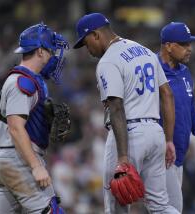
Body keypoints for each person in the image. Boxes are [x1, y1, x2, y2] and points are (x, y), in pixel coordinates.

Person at [73, 13, 180, 214]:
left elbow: (116, 107)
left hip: (129, 135)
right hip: (155, 132)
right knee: (160, 206)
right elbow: (167, 94)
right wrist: (168, 139)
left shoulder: (108, 61)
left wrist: (122, 157)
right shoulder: (145, 51)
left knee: (116, 205)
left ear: (96, 35)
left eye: (86, 43)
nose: (87, 50)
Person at [0, 23, 69, 213]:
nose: (54, 56)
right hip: (17, 161)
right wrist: (35, 166)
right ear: (40, 51)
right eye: (51, 51)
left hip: (8, 159)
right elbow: (16, 128)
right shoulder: (22, 82)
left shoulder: (25, 79)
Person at [157, 22, 195, 212]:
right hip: (159, 154)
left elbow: (190, 110)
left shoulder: (185, 73)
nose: (189, 49)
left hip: (178, 156)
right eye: (184, 44)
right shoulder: (151, 69)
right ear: (168, 45)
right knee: (169, 209)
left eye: (189, 44)